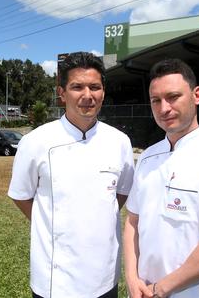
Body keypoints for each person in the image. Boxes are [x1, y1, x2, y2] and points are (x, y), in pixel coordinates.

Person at [8, 52, 134, 298]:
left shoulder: (120, 142)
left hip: (104, 275)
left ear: (103, 92)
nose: (87, 95)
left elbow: (121, 193)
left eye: (94, 87)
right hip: (55, 279)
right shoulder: (35, 142)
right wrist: (55, 224)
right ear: (62, 92)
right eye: (77, 87)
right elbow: (21, 196)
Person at [123, 58, 199, 298]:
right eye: (155, 100)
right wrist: (131, 278)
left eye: (173, 97)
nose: (163, 108)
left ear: (196, 95)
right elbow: (132, 223)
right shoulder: (148, 157)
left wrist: (159, 290)